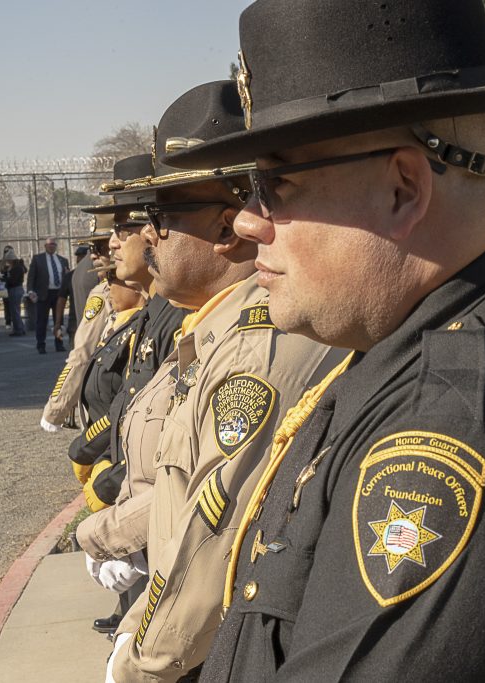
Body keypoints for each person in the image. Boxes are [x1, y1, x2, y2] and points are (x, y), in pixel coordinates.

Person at [167, 1, 485, 679]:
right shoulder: (417, 347)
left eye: (276, 181)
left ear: (402, 188)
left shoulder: (466, 424)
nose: (246, 219)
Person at [100, 80, 340, 682]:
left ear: (228, 228)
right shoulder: (210, 337)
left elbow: (213, 530)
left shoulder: (255, 351)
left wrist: (140, 661)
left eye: (161, 216)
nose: (146, 235)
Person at [72, 153, 189, 634]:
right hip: (137, 505)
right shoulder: (155, 310)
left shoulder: (177, 315)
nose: (113, 244)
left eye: (130, 224)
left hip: (154, 518)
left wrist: (111, 494)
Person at [40, 228, 115, 431]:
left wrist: (55, 410)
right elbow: (82, 355)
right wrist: (56, 408)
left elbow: (82, 355)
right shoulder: (104, 290)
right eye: (92, 248)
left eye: (100, 247)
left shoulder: (100, 284)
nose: (93, 254)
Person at [27, 237, 70, 354]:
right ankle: (41, 345)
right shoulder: (38, 259)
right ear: (45, 246)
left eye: (53, 245)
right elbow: (31, 276)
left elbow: (67, 276)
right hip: (43, 294)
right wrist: (30, 290)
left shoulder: (63, 260)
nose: (51, 246)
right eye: (49, 244)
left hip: (59, 293)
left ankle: (59, 343)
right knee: (42, 321)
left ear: (56, 246)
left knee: (59, 320)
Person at [53, 244, 90, 348]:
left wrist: (58, 323)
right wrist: (58, 323)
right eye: (79, 256)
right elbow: (61, 300)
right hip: (75, 324)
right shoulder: (69, 276)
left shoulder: (97, 274)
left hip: (87, 322)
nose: (80, 259)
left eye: (82, 256)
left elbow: (61, 300)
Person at [1, 250, 27, 337]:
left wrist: (5, 280)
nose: (7, 262)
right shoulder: (15, 267)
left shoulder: (16, 268)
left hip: (15, 289)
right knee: (16, 310)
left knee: (14, 310)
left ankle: (18, 329)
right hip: (16, 288)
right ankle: (20, 328)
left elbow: (13, 280)